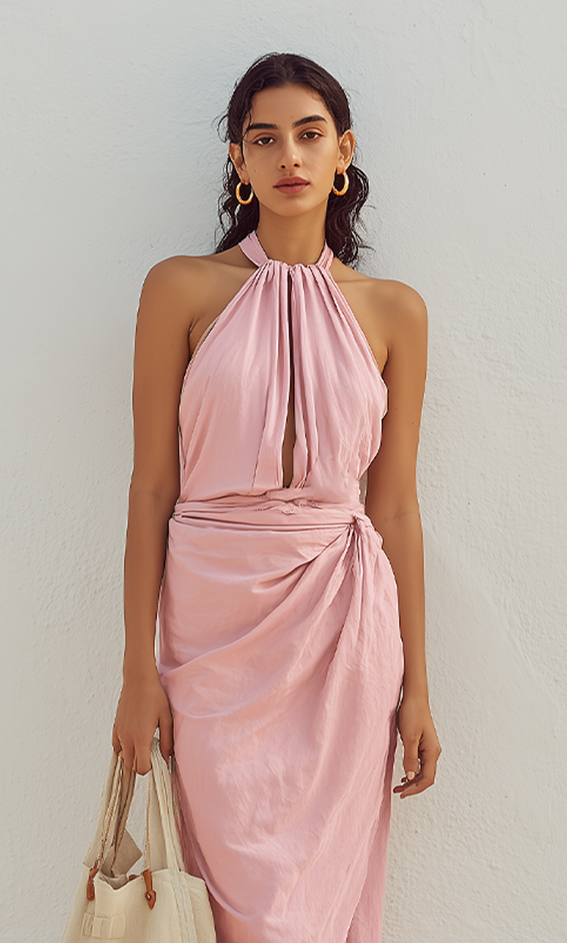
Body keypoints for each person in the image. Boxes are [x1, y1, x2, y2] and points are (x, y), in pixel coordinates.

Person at [111, 52, 441, 943]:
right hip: (212, 636)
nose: (289, 155)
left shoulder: (395, 311)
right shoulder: (179, 288)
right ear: (238, 161)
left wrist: (417, 685)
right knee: (229, 909)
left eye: (309, 134)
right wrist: (138, 669)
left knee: (322, 906)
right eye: (266, 138)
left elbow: (397, 509)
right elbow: (150, 487)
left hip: (343, 635)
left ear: (344, 154)